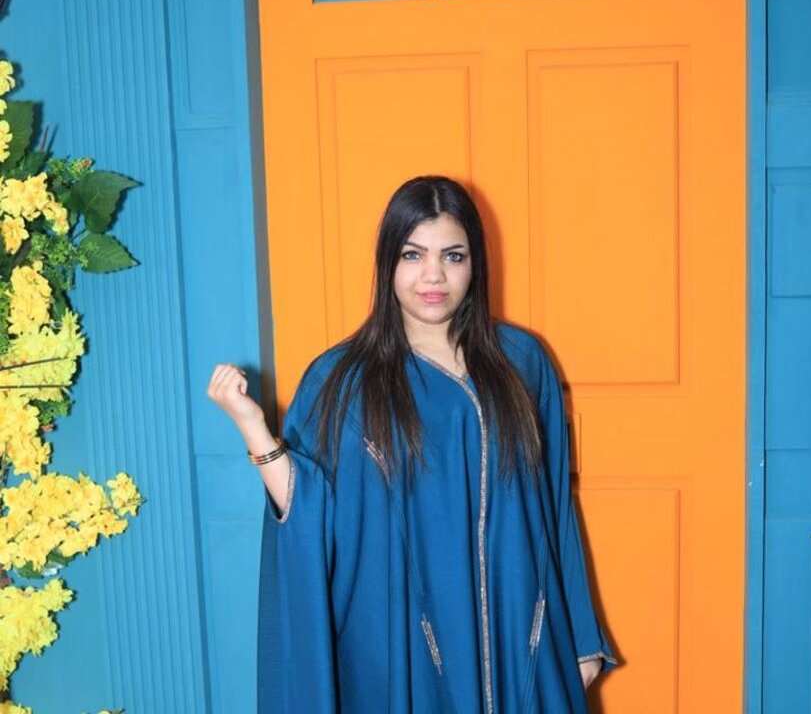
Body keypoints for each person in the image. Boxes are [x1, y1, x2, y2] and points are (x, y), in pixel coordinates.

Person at [208, 175, 617, 713]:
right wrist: (253, 429)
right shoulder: (343, 380)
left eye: (453, 256)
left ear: (475, 263)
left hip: (522, 629)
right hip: (405, 651)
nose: (433, 276)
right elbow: (310, 510)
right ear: (388, 263)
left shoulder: (522, 361)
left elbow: (554, 507)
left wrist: (581, 636)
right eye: (413, 254)